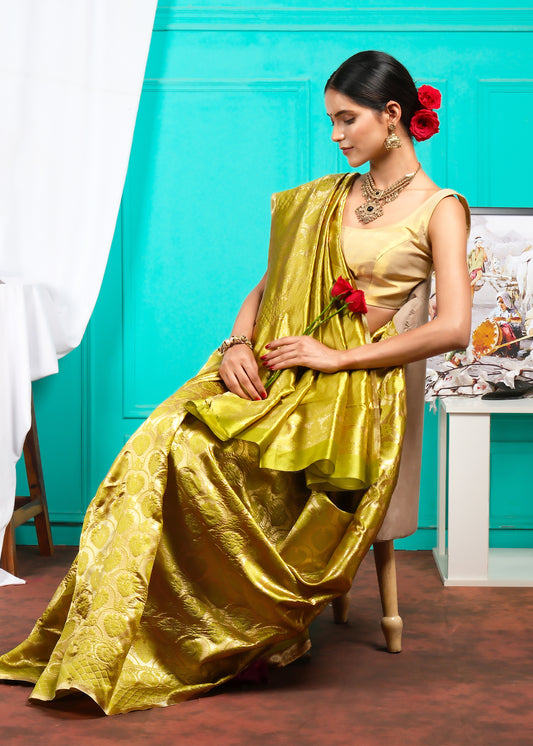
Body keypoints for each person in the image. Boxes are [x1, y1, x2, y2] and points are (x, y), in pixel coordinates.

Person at [0, 50, 471, 715]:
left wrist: (336, 359)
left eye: (345, 120)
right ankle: (113, 640)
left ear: (391, 115)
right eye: (328, 122)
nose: (334, 135)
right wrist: (237, 344)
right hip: (277, 364)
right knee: (160, 439)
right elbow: (263, 288)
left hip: (347, 391)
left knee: (199, 457)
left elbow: (453, 328)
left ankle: (227, 636)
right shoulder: (326, 198)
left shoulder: (440, 209)